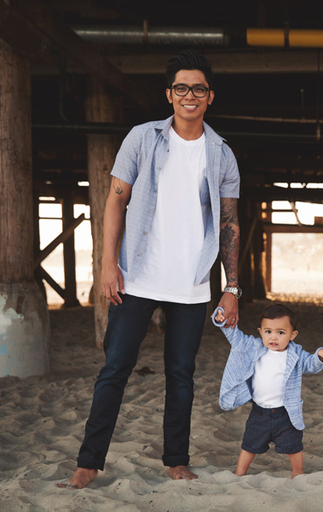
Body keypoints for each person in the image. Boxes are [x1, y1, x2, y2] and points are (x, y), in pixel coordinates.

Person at [61, 50, 242, 489]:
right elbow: (115, 199)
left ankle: (176, 460)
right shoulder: (142, 138)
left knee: (181, 375)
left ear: (210, 96)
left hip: (191, 283)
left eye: (198, 88)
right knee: (115, 369)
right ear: (169, 94)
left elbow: (229, 222)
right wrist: (108, 264)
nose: (189, 95)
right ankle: (88, 463)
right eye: (181, 88)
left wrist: (232, 286)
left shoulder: (221, 153)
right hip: (137, 276)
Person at [213, 304, 323, 477]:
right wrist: (222, 320)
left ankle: (298, 473)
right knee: (249, 444)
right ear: (260, 332)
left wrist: (320, 356)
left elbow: (310, 365)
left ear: (293, 335)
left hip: (286, 412)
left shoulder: (296, 354)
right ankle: (239, 473)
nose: (273, 337)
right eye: (268, 331)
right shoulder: (253, 347)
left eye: (281, 332)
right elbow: (235, 336)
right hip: (259, 412)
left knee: (294, 445)